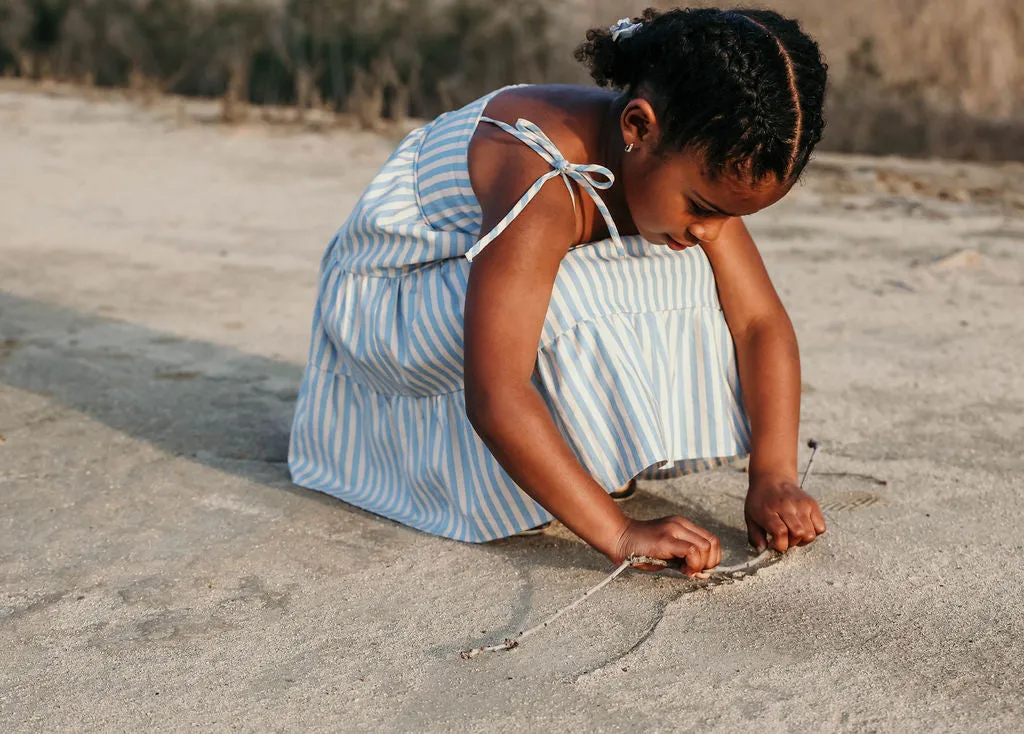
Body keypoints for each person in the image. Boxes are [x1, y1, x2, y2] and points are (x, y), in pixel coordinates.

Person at [289, 6, 829, 576]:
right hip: (389, 311)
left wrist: (774, 474)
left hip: (476, 296)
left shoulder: (679, 159)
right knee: (590, 282)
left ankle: (588, 459)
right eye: (704, 207)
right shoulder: (542, 177)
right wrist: (620, 533)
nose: (711, 230)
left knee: (687, 260)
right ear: (638, 128)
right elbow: (495, 392)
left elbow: (758, 322)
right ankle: (562, 484)